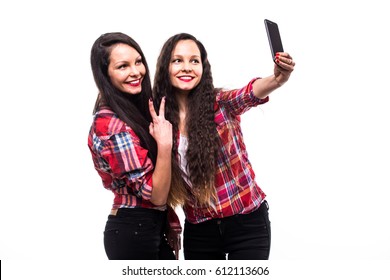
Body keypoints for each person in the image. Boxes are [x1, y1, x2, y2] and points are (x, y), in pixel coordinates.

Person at [152, 33, 295, 260]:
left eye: (194, 61)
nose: (187, 67)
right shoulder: (159, 119)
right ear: (165, 67)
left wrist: (277, 79)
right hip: (200, 229)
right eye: (177, 60)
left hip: (247, 222)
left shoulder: (221, 104)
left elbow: (249, 93)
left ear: (203, 67)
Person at [87, 32, 181, 260]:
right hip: (133, 230)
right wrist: (165, 144)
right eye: (122, 66)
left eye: (138, 62)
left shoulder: (133, 109)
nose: (135, 72)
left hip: (149, 225)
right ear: (105, 74)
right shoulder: (112, 125)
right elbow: (155, 195)